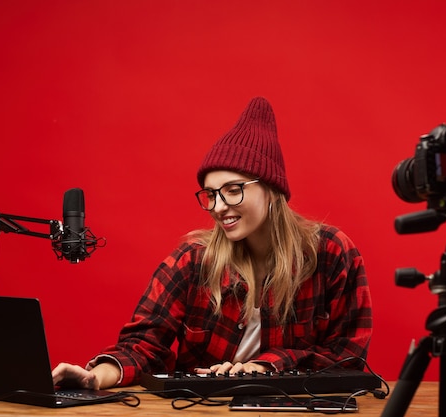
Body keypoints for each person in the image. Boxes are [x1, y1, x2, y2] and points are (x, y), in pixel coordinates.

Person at [52, 97, 373, 389]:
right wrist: (96, 377)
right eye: (211, 194)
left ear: (272, 190)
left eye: (233, 190)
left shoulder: (330, 253)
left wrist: (267, 367)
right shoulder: (192, 261)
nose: (218, 207)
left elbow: (347, 360)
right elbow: (142, 346)